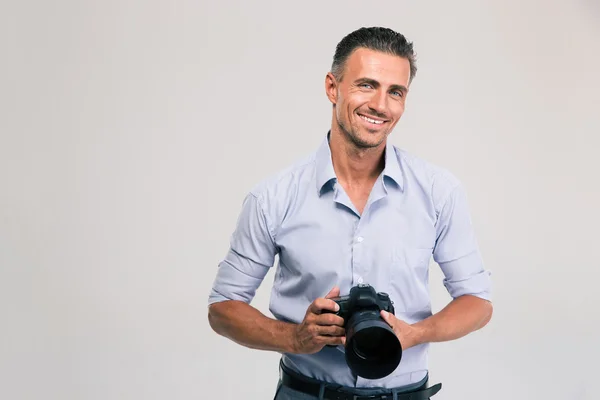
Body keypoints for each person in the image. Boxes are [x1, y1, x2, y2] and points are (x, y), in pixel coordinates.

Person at [207, 26, 493, 400]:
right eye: (366, 85)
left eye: (396, 92)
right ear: (332, 87)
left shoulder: (439, 192)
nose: (380, 105)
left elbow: (477, 302)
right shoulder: (273, 198)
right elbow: (223, 308)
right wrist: (296, 337)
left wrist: (414, 333)